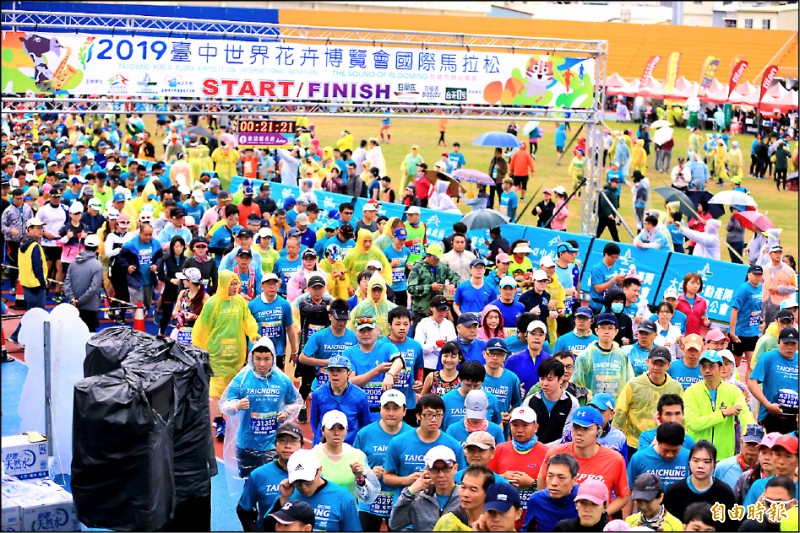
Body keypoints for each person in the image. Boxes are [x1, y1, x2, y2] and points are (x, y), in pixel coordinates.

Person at [220, 337, 303, 477]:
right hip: (246, 443)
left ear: (273, 359)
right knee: (249, 485)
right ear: (251, 358)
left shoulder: (282, 380)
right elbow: (225, 405)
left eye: (266, 359)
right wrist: (237, 405)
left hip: (272, 444)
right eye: (257, 359)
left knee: (270, 486)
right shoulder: (241, 379)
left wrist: (286, 413)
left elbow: (295, 403)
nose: (262, 364)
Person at [193, 270, 261, 441]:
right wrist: (199, 350)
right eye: (231, 283)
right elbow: (201, 328)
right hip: (217, 356)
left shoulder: (240, 302)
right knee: (216, 392)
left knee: (236, 389)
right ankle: (219, 422)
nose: (234, 287)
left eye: (236, 283)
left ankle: (237, 423)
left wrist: (253, 334)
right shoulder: (212, 304)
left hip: (237, 355)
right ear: (223, 284)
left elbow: (248, 320)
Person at [538, 407, 630, 517]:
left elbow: (624, 496)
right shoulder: (555, 453)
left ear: (599, 432)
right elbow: (542, 482)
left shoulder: (615, 459)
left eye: (585, 429)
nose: (579, 433)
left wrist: (601, 515)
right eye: (576, 427)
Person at [383, 394, 466, 507]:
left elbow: (461, 478)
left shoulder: (453, 445)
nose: (434, 419)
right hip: (407, 507)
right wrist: (406, 480)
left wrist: (439, 479)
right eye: (428, 415)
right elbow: (387, 477)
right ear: (418, 415)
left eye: (438, 415)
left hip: (440, 509)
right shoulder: (398, 442)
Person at [352, 389, 415, 531]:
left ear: (404, 411)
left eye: (396, 408)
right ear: (380, 409)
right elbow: (354, 466)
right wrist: (369, 472)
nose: (391, 413)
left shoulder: (412, 435)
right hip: (369, 502)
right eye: (386, 408)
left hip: (400, 500)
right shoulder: (365, 434)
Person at [613, 346, 683, 458]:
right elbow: (620, 413)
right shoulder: (633, 385)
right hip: (633, 444)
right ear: (647, 362)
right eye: (654, 363)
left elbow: (681, 417)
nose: (656, 367)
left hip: (664, 444)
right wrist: (615, 440)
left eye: (661, 364)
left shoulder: (676, 387)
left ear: (669, 366)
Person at [684, 351, 755, 461]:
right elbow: (694, 423)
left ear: (720, 368)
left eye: (712, 366)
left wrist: (754, 433)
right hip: (697, 456)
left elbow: (745, 415)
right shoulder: (691, 392)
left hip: (723, 457)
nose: (707, 370)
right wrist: (723, 413)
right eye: (703, 367)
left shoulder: (734, 391)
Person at [271, 449, 361, 532]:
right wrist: (283, 498)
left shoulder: (342, 496)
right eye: (297, 482)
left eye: (308, 481)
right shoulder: (288, 493)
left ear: (319, 470)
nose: (303, 487)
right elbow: (267, 527)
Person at [237, 423, 304, 531]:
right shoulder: (258, 475)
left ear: (302, 445)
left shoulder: (311, 475)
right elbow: (243, 510)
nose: (288, 445)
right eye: (283, 440)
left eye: (293, 441)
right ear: (275, 444)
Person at [388, 445, 463, 532]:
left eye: (446, 468)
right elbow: (395, 525)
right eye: (435, 469)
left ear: (455, 468)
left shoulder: (465, 497)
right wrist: (409, 492)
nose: (441, 475)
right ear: (427, 470)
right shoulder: (418, 499)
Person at [312, 410, 380, 505]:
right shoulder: (313, 456)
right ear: (323, 430)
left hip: (348, 513)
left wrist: (359, 477)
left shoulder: (356, 455)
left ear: (346, 430)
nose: (336, 433)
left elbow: (368, 497)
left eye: (341, 428)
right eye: (331, 428)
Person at [664, 441, 736, 524]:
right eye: (696, 460)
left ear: (714, 464)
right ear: (689, 462)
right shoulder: (675, 490)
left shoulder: (724, 492)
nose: (700, 466)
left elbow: (731, 525)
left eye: (706, 462)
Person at [308, 356, 371, 445]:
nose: (334, 374)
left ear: (348, 372)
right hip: (324, 446)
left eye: (339, 370)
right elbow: (314, 421)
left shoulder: (360, 396)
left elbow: (365, 423)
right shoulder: (318, 394)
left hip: (350, 447)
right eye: (331, 370)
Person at [748, 327, 799, 434]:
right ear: (778, 343)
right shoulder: (768, 357)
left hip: (794, 417)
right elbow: (752, 382)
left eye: (793, 343)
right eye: (786, 343)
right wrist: (768, 405)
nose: (789, 347)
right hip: (771, 414)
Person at [572, 313, 633, 398]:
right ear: (596, 331)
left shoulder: (622, 356)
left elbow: (629, 382)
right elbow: (576, 384)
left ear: (616, 331)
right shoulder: (585, 356)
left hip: (616, 408)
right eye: (603, 328)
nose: (606, 331)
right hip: (592, 406)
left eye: (610, 328)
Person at [248, 273, 298, 371]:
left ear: (278, 285)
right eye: (268, 284)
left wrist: (294, 350)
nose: (272, 287)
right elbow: (246, 330)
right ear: (261, 286)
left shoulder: (285, 304)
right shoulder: (252, 305)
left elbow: (289, 328)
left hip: (277, 352)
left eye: (274, 284)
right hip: (257, 352)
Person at [523, 358, 578, 445]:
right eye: (542, 378)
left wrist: (546, 449)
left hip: (560, 454)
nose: (544, 383)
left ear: (560, 379)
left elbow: (568, 436)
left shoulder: (572, 403)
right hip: (534, 451)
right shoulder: (530, 402)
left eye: (550, 379)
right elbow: (525, 431)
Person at [627, 422, 691, 492]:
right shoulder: (639, 458)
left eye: (675, 451)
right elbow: (629, 489)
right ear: (657, 440)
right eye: (665, 450)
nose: (669, 455)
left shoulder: (689, 457)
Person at [407, 244, 460, 325]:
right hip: (421, 311)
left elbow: (456, 277)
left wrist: (453, 284)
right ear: (428, 255)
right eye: (435, 258)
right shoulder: (417, 268)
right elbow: (411, 288)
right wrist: (430, 287)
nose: (437, 260)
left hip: (438, 310)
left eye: (438, 258)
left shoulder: (441, 267)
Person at [742, 434, 799, 508]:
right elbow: (746, 517)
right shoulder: (758, 486)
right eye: (778, 455)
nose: (781, 461)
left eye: (788, 456)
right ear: (773, 455)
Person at [63, 233, 104, 332]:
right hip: (90, 307)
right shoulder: (97, 265)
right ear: (97, 248)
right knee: (90, 335)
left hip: (74, 306)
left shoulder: (73, 263)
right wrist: (80, 301)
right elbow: (94, 288)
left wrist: (73, 298)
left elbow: (67, 283)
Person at [730, 265, 764, 378]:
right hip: (740, 333)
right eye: (754, 274)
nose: (756, 277)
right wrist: (732, 332)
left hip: (753, 333)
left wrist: (761, 321)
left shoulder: (760, 288)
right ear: (749, 275)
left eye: (759, 275)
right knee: (735, 363)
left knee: (752, 364)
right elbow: (734, 311)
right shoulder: (743, 289)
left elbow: (756, 309)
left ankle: (748, 390)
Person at [714, 424, 765, 490]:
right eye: (749, 443)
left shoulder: (765, 470)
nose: (752, 448)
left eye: (756, 444)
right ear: (741, 442)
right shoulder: (723, 467)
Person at [762, 244, 797, 328]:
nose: (778, 255)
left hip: (780, 304)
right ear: (770, 254)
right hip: (765, 304)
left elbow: (793, 287)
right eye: (775, 252)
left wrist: (778, 289)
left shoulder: (789, 271)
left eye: (779, 252)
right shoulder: (765, 268)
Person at [588, 243, 625, 315]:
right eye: (612, 257)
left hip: (611, 305)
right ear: (606, 254)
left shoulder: (615, 267)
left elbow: (617, 286)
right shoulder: (597, 269)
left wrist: (621, 282)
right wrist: (614, 280)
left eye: (616, 258)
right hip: (598, 305)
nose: (614, 260)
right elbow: (598, 289)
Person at [596, 176, 621, 242]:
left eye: (618, 183)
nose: (617, 184)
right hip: (606, 216)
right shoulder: (607, 192)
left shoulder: (613, 191)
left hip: (609, 216)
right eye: (616, 183)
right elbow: (604, 203)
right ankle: (619, 246)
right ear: (611, 183)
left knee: (599, 232)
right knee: (614, 234)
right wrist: (609, 214)